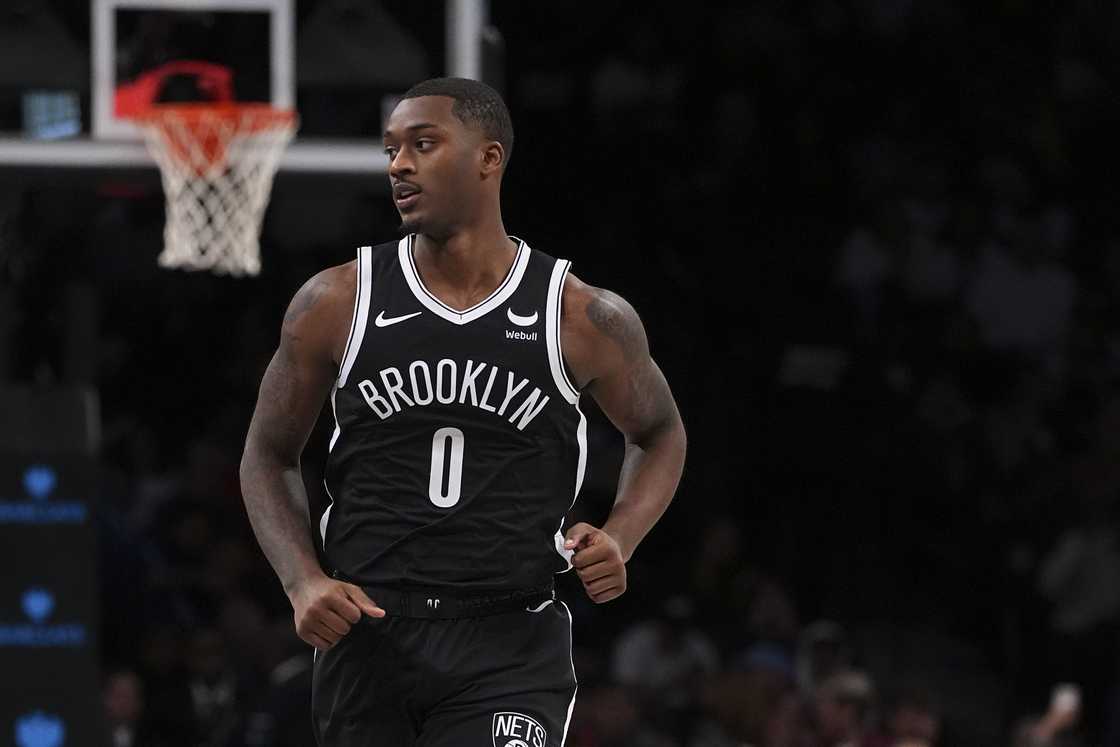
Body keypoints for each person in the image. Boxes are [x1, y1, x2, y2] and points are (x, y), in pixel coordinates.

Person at [239, 77, 687, 746]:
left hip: (508, 642)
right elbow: (266, 455)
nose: (399, 164)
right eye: (391, 149)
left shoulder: (580, 314)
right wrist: (302, 579)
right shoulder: (335, 301)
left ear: (489, 158)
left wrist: (622, 533)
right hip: (370, 634)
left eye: (423, 144)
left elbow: (660, 431)